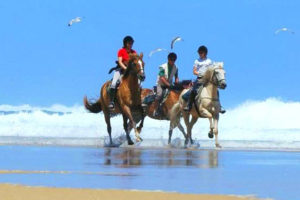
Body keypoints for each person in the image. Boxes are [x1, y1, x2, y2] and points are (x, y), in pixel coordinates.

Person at [183, 45, 225, 113]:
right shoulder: (197, 61)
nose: (199, 54)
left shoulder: (209, 61)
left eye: (201, 53)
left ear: (205, 53)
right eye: (199, 53)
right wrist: (199, 73)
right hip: (200, 78)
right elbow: (194, 71)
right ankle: (189, 105)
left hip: (208, 79)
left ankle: (220, 106)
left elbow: (211, 70)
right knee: (193, 90)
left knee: (216, 90)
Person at [108, 36, 137, 110]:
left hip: (130, 72)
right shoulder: (121, 51)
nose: (131, 44)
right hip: (120, 70)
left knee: (138, 83)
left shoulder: (134, 52)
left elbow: (136, 62)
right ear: (126, 43)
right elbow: (120, 62)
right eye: (129, 43)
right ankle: (111, 102)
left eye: (132, 43)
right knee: (114, 83)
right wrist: (125, 68)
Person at [153, 52, 179, 117]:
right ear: (168, 59)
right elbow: (162, 78)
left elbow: (176, 76)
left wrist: (176, 82)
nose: (172, 61)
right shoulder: (162, 67)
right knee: (159, 94)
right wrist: (169, 85)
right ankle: (155, 110)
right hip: (160, 85)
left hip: (169, 85)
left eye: (174, 60)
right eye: (171, 60)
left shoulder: (176, 67)